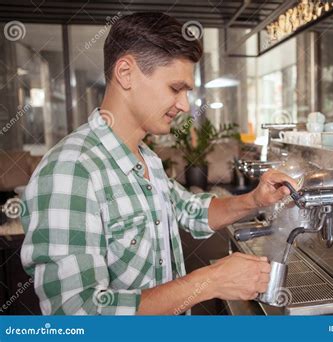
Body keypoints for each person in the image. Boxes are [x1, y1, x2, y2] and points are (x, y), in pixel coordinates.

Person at [20, 11, 297, 315]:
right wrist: (210, 281)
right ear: (125, 73)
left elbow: (191, 210)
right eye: (175, 88)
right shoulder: (71, 170)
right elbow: (76, 315)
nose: (184, 105)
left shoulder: (146, 158)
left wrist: (255, 199)